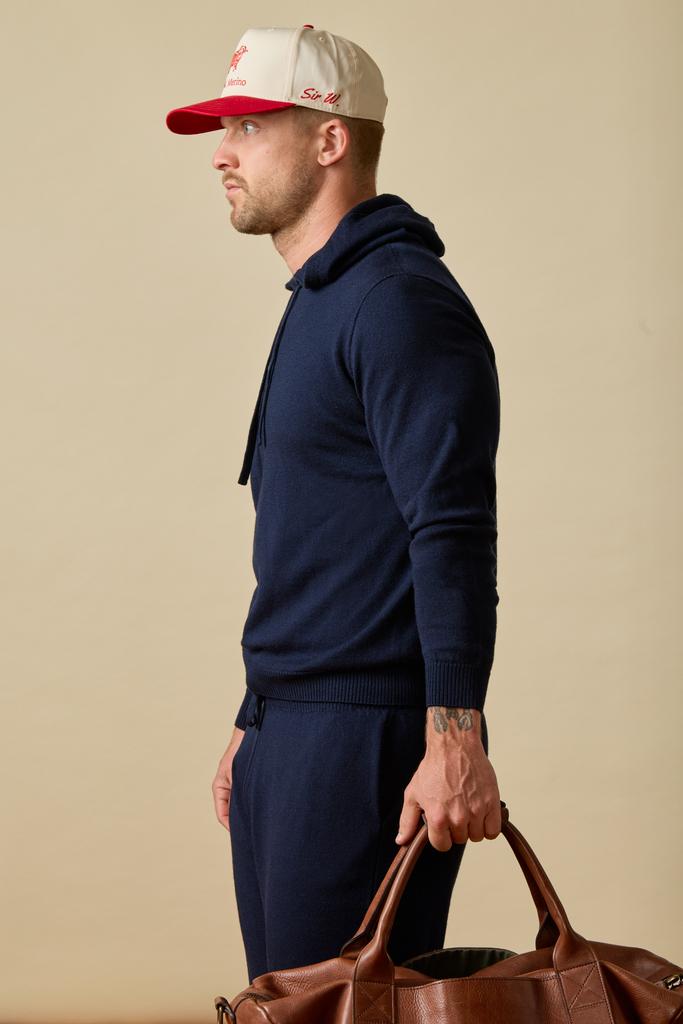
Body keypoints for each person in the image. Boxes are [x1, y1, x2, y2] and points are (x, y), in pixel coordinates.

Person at [167, 25, 502, 983]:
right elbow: (322, 542)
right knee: (291, 1006)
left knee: (347, 1012)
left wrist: (456, 741)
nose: (222, 152)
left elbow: (449, 529)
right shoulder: (318, 297)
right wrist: (255, 711)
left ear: (329, 140)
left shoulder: (398, 300)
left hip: (364, 747)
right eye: (220, 127)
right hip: (291, 727)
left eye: (250, 124)